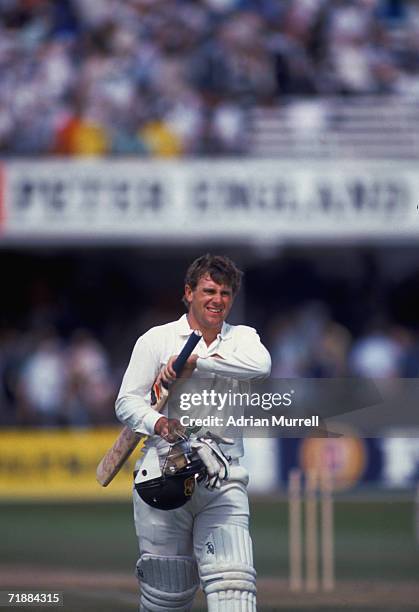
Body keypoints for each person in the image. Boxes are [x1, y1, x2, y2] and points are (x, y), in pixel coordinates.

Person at [116, 254, 271, 611]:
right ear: (188, 292)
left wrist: (195, 361)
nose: (218, 299)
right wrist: (160, 423)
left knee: (235, 587)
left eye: (226, 293)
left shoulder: (243, 338)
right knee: (166, 596)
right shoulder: (157, 340)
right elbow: (126, 402)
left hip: (223, 476)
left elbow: (261, 366)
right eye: (209, 290)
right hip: (164, 472)